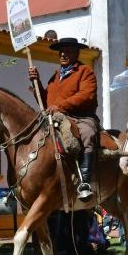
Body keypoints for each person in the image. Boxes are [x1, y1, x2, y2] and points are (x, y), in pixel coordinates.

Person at [29, 37, 99, 201]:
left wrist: (60, 106)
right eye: (61, 51)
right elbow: (46, 101)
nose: (63, 54)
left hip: (80, 117)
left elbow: (86, 95)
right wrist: (37, 82)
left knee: (88, 134)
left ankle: (85, 182)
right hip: (55, 117)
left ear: (76, 53)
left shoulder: (85, 71)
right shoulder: (55, 77)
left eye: (67, 51)